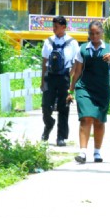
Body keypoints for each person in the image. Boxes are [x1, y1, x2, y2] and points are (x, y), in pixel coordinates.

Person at [67, 21, 110, 163]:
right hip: (84, 88)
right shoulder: (82, 49)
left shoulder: (109, 49)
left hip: (102, 89)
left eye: (97, 33)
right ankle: (82, 152)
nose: (94, 36)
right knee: (86, 117)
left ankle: (97, 152)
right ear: (88, 34)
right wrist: (71, 89)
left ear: (102, 33)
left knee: (99, 120)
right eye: (91, 33)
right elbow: (77, 72)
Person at [40, 16, 79, 146]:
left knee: (63, 107)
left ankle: (61, 137)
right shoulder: (48, 42)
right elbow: (44, 61)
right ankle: (49, 124)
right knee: (46, 106)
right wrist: (42, 81)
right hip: (50, 77)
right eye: (53, 26)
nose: (54, 28)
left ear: (63, 27)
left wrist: (70, 76)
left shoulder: (72, 43)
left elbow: (76, 62)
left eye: (56, 26)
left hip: (64, 77)